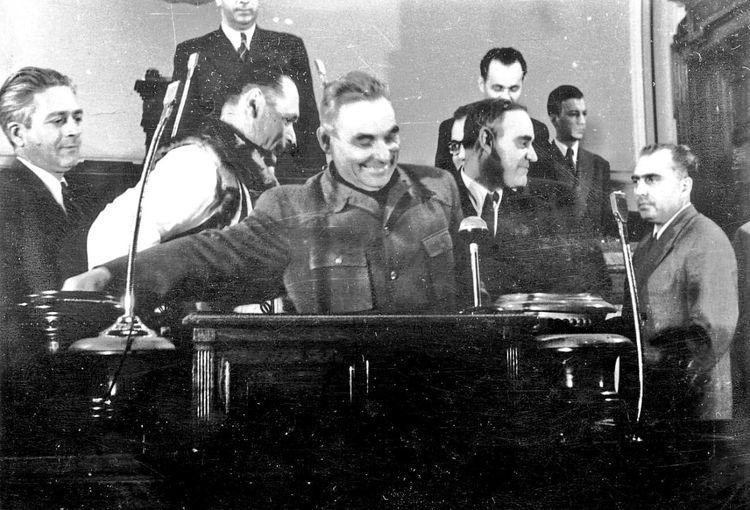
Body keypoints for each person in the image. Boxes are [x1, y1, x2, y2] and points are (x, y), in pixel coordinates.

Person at [63, 71, 462, 314]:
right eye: (364, 141)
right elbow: (205, 254)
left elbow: (474, 286)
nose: (384, 155)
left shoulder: (439, 189)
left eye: (391, 137)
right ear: (326, 142)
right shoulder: (291, 208)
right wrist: (110, 274)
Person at [87, 66, 298, 268]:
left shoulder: (237, 169)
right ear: (253, 103)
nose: (293, 137)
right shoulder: (201, 164)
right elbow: (113, 233)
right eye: (287, 120)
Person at [453, 98, 610, 303]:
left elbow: (593, 287)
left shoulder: (553, 204)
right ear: (486, 140)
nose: (534, 156)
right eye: (523, 143)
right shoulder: (433, 206)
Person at [628, 144, 737, 421]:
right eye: (636, 181)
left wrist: (664, 375)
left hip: (692, 406)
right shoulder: (646, 244)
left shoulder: (706, 237)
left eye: (652, 179)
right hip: (655, 402)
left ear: (684, 186)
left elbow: (713, 330)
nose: (640, 190)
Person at [171, 0, 324, 174]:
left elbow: (308, 122)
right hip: (219, 174)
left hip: (280, 177)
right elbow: (182, 126)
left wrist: (316, 182)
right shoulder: (192, 51)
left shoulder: (289, 47)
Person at [0, 67, 88, 312]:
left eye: (77, 118)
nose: (74, 130)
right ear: (18, 134)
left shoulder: (72, 197)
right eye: (58, 121)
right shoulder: (6, 198)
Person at [434, 47, 550, 174]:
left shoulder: (538, 131)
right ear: (482, 84)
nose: (506, 97)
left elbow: (543, 184)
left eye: (514, 89)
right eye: (498, 88)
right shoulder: (452, 128)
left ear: (523, 84)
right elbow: (444, 183)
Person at [531, 85, 612, 232]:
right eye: (574, 114)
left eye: (584, 114)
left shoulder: (600, 165)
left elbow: (605, 221)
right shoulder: (537, 162)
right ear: (554, 118)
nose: (582, 121)